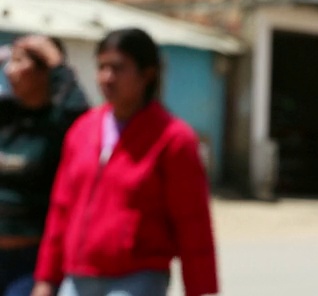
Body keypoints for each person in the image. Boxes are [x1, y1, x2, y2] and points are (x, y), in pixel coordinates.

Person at [32, 28, 219, 296]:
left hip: (136, 279)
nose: (107, 78)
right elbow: (61, 209)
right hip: (77, 277)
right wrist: (46, 279)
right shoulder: (82, 131)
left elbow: (193, 223)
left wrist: (200, 290)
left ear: (147, 74)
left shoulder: (172, 139)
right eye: (102, 67)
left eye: (118, 68)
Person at [0, 35, 89, 296]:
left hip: (32, 262)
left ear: (45, 72)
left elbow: (80, 112)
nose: (8, 70)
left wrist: (56, 60)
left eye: (19, 62)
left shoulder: (59, 124)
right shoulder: (5, 115)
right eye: (9, 61)